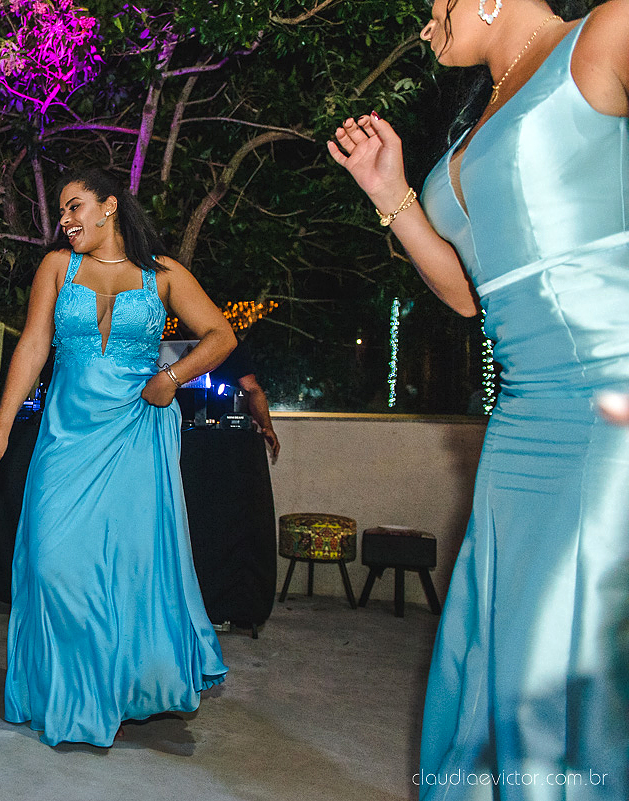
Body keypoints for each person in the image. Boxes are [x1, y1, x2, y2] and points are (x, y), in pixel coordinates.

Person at [329, 1, 629, 797]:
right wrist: (389, 192)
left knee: (551, 679)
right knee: (491, 674)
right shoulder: (475, 120)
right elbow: (469, 294)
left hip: (610, 414)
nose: (426, 25)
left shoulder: (603, 35)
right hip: (520, 425)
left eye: (435, 5)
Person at [0, 168, 236, 747]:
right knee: (54, 563)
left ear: (110, 206)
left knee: (128, 569)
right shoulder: (59, 267)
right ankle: (73, 691)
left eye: (74, 207)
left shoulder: (163, 274)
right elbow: (34, 344)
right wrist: (3, 427)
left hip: (137, 431)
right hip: (68, 436)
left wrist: (173, 376)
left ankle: (105, 696)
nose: (65, 220)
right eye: (61, 211)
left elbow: (221, 335)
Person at [212, 341, 280, 461]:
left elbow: (252, 388)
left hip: (224, 432)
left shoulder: (230, 343)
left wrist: (267, 426)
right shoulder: (171, 341)